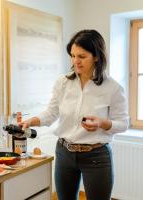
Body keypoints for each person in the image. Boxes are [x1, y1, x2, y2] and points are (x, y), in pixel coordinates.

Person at [20, 29, 128, 200]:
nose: (75, 61)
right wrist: (32, 120)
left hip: (97, 156)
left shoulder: (112, 88)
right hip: (64, 152)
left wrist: (101, 123)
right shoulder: (63, 82)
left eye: (82, 56)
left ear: (97, 57)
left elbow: (123, 123)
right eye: (73, 55)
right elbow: (51, 112)